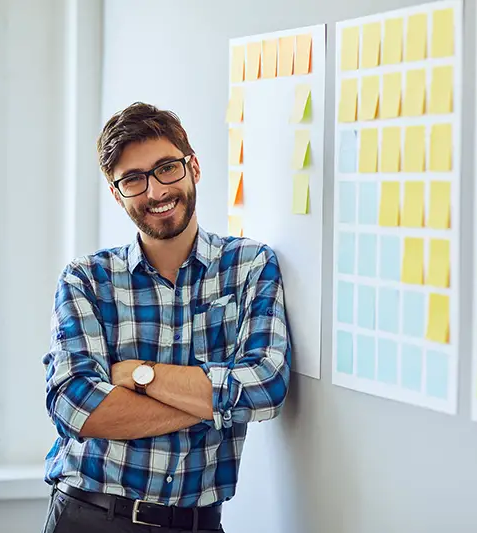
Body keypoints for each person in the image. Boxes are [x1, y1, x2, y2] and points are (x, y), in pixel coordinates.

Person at [41, 102, 291, 533]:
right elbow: (76, 407)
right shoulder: (86, 280)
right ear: (117, 194)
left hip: (198, 523)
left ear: (193, 167)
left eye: (166, 169)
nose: (156, 192)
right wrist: (217, 401)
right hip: (90, 516)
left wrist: (140, 376)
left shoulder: (249, 265)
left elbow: (267, 388)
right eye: (133, 180)